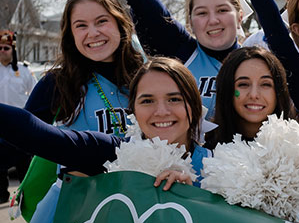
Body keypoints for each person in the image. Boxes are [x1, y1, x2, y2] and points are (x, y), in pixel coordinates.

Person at [16, 0, 144, 223]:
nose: (93, 33)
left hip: (138, 211)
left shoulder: (147, 75)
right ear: (70, 34)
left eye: (102, 21)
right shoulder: (57, 83)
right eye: (81, 25)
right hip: (75, 212)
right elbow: (13, 142)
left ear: (120, 24)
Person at [0, 57, 210, 193]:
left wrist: (194, 201)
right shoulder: (113, 152)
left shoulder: (223, 166)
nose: (161, 111)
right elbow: (36, 134)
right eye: (147, 101)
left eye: (174, 99)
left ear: (194, 105)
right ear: (134, 111)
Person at [98, 0, 244, 115]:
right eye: (201, 13)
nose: (213, 20)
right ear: (190, 22)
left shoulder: (258, 61)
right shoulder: (179, 53)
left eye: (222, 10)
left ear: (240, 17)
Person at [205, 46, 297, 148]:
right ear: (227, 90)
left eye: (265, 84)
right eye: (243, 84)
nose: (254, 95)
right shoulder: (206, 155)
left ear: (279, 91)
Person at [0, 30, 36, 203]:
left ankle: (26, 195)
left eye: (6, 48)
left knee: (24, 164)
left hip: (19, 124)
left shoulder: (24, 70)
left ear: (13, 49)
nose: (2, 51)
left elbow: (35, 93)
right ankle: (1, 195)